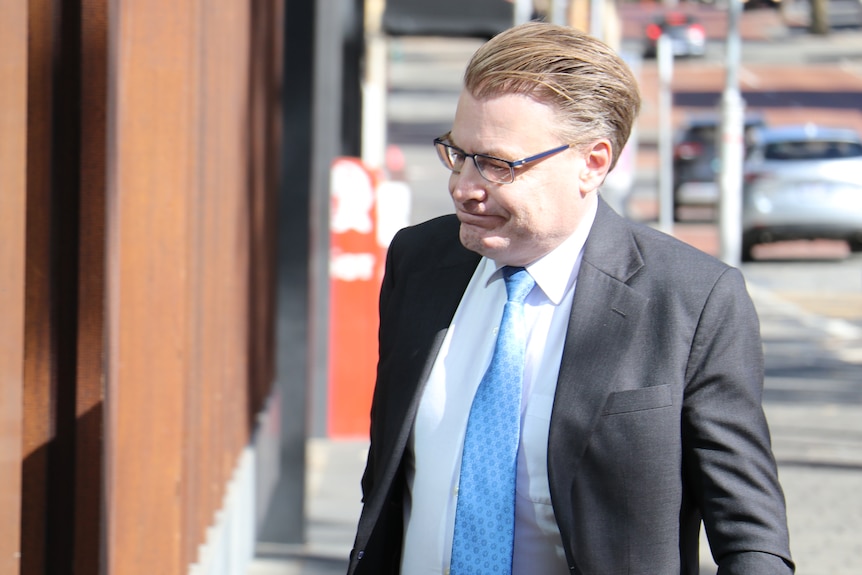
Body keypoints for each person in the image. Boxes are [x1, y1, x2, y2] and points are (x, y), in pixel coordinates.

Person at [347, 22, 794, 575]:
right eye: (457, 154)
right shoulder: (419, 262)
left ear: (593, 163)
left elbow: (751, 534)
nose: (464, 186)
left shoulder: (691, 300)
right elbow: (389, 481)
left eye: (497, 163)